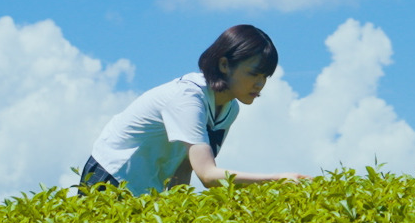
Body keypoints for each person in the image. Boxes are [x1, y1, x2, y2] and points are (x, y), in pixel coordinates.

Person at [78, 24, 309, 195]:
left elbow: (185, 167)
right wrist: (279, 179)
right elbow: (208, 175)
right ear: (224, 64)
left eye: (265, 76)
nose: (260, 84)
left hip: (145, 189)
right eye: (253, 74)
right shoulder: (188, 98)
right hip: (110, 174)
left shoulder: (229, 110)